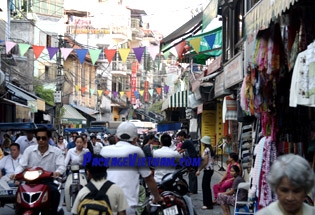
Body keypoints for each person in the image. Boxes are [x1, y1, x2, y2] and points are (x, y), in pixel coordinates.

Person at [100, 121, 163, 215]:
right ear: (135, 139)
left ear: (116, 138)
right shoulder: (136, 151)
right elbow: (148, 178)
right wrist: (157, 197)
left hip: (105, 205)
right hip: (127, 206)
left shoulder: (104, 150)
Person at [11, 127, 66, 214]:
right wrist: (16, 174)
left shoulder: (56, 151)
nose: (41, 140)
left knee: (54, 192)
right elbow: (21, 165)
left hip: (48, 181)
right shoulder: (29, 150)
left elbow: (62, 166)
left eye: (43, 138)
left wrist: (57, 172)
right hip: (29, 181)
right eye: (38, 138)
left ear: (48, 138)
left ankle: (53, 212)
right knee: (19, 191)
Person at [196, 136, 215, 210]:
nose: (201, 142)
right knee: (206, 186)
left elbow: (205, 162)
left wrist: (199, 170)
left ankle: (207, 204)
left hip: (208, 169)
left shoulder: (207, 150)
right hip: (210, 169)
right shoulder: (209, 149)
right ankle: (208, 203)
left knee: (205, 186)